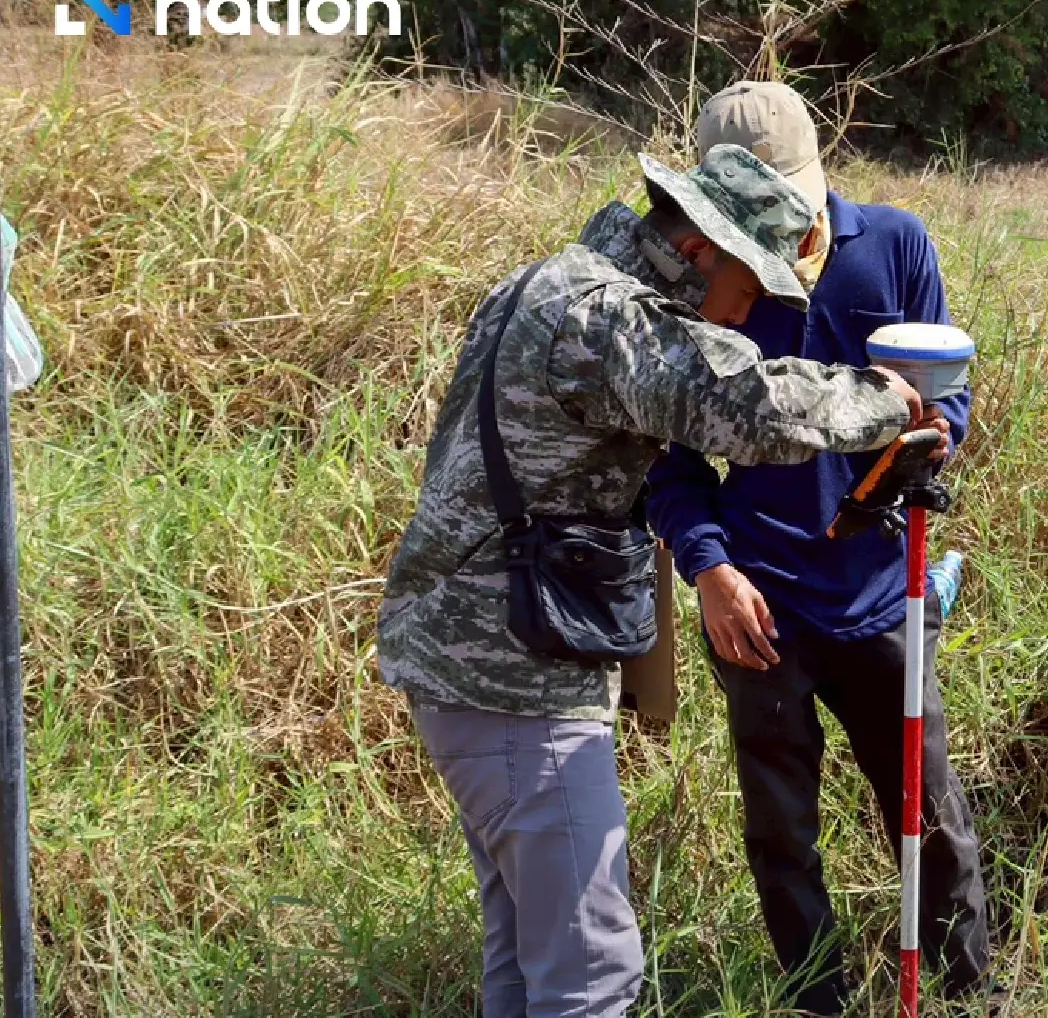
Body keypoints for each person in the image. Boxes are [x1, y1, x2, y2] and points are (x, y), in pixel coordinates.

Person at [376, 143, 936, 1017]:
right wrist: (890, 401)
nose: (744, 320)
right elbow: (747, 404)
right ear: (701, 251)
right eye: (747, 294)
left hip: (468, 668)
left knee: (525, 962)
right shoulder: (605, 321)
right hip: (518, 684)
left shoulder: (549, 282)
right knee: (591, 977)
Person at [646, 80, 990, 1015]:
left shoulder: (897, 245)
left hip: (883, 591)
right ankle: (818, 1000)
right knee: (782, 833)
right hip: (760, 605)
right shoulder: (699, 286)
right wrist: (711, 569)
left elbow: (947, 389)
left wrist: (935, 429)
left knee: (932, 814)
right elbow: (668, 465)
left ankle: (969, 994)